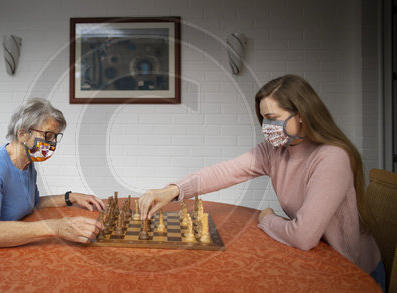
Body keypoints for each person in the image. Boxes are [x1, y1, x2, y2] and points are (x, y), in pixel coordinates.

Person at [139, 75, 385, 289]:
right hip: (314, 260)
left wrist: (267, 218)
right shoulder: (274, 151)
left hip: (351, 272)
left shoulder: (332, 157)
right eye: (263, 118)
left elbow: (303, 237)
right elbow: (224, 171)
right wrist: (172, 190)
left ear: (300, 115)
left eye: (273, 117)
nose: (267, 126)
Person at [0, 98, 104, 269]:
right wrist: (56, 227)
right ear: (22, 134)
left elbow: (31, 203)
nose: (51, 144)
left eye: (54, 137)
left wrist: (70, 197)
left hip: (1, 248)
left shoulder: (27, 164)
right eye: (47, 135)